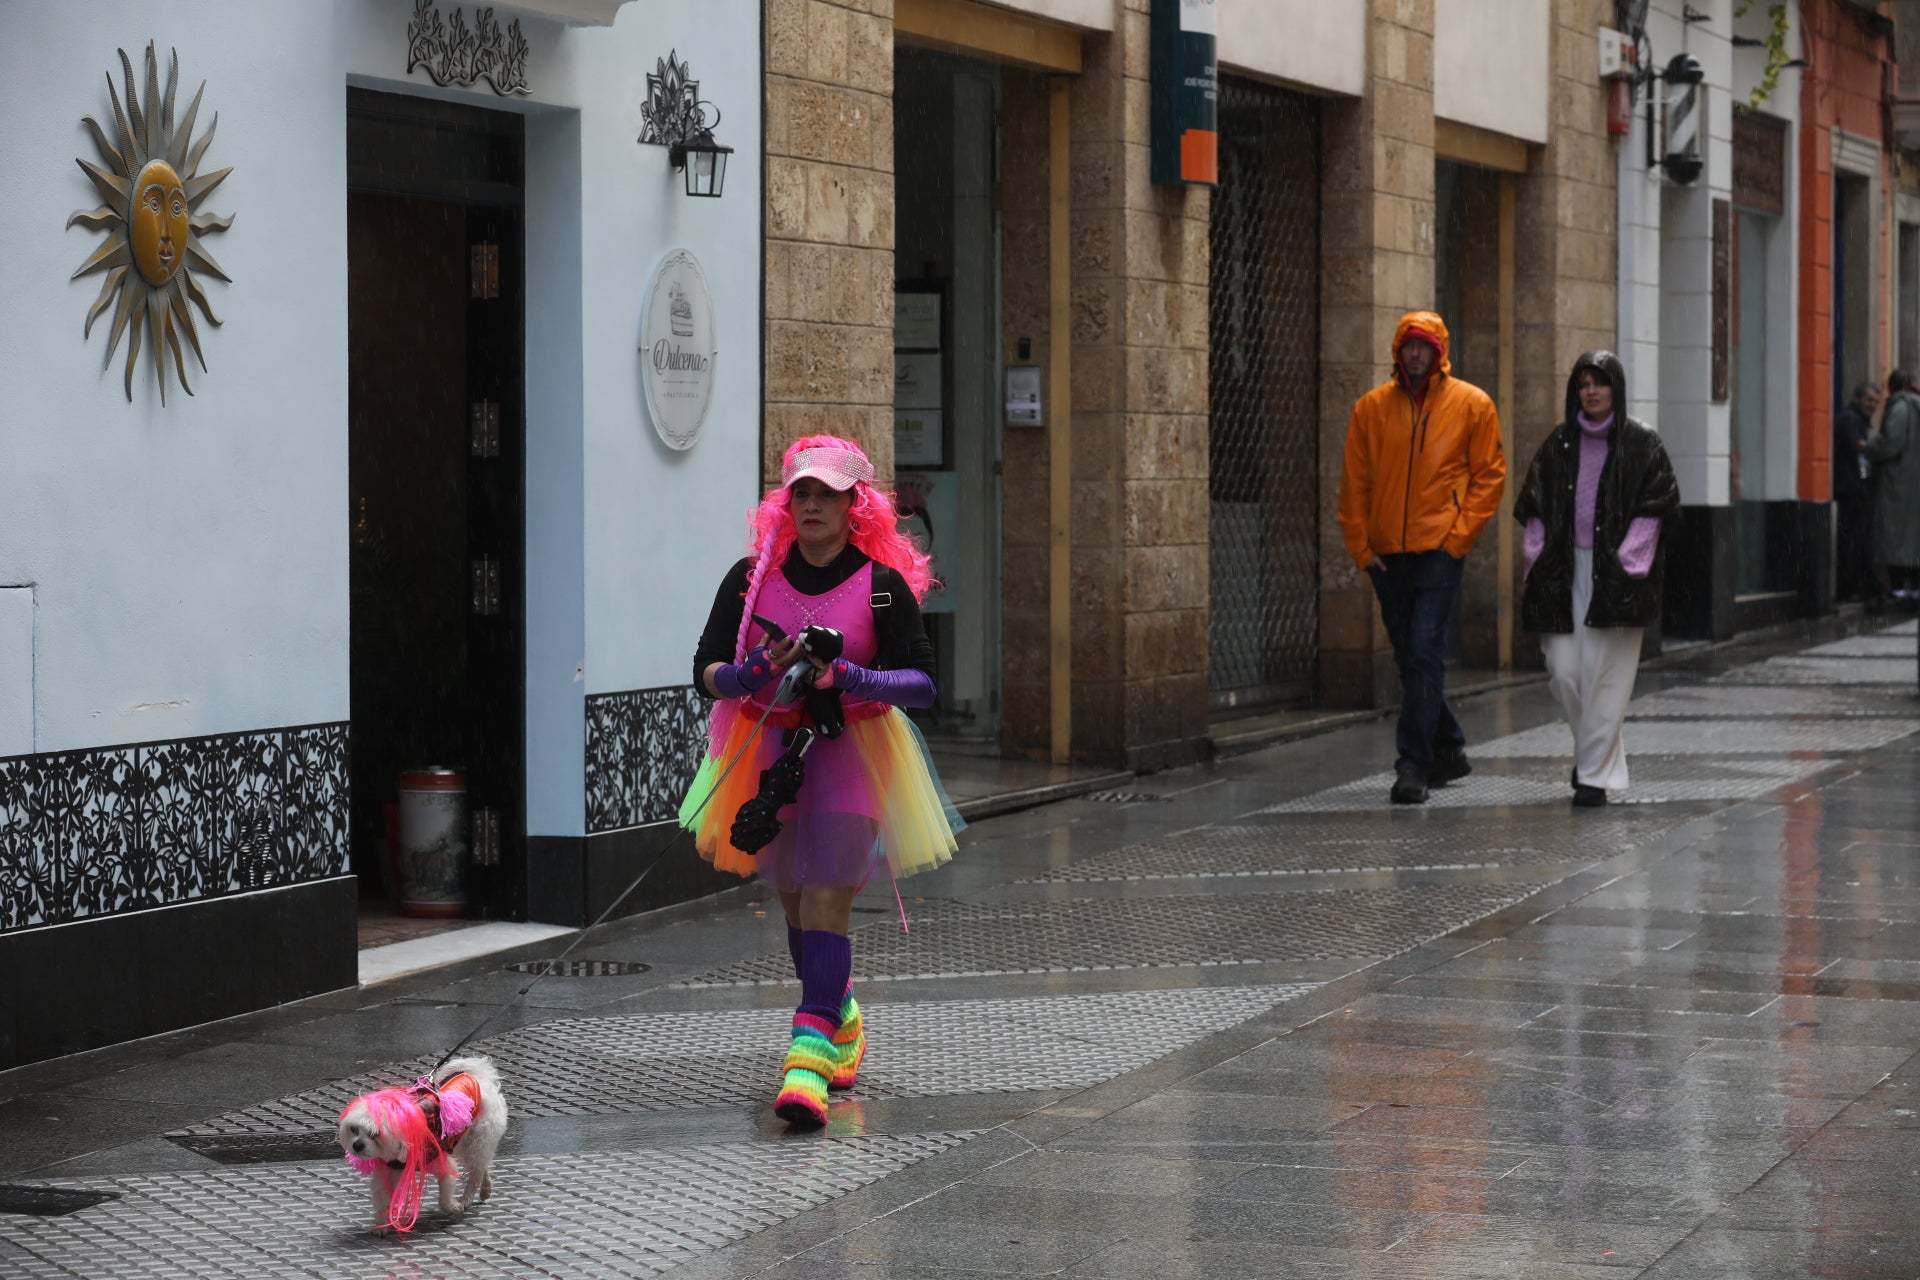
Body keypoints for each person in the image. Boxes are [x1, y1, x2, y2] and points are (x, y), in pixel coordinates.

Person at [680, 435, 961, 1129]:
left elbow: (925, 685)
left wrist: (851, 676)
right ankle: (843, 1015)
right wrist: (748, 675)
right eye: (800, 493)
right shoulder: (750, 579)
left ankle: (807, 1061)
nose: (810, 506)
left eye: (826, 495)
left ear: (854, 506)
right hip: (768, 753)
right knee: (796, 904)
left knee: (829, 893)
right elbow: (705, 668)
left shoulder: (882, 587)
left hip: (851, 750)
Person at [1339, 311, 1507, 805]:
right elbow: (1355, 482)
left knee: (1423, 650)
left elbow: (1489, 477)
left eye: (1425, 347)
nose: (1416, 355)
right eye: (1409, 346)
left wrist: (1457, 540)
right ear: (1398, 350)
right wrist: (1361, 548)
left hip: (1439, 549)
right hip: (1387, 553)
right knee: (1411, 657)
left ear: (1440, 353)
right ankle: (1449, 745)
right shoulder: (1370, 409)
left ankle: (1414, 764)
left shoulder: (1472, 405)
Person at [1514, 351, 1679, 808]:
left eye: (1600, 383)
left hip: (1618, 574)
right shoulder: (1558, 445)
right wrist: (1536, 553)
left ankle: (1591, 777)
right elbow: (1535, 502)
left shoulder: (1642, 444)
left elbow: (1657, 503)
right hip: (1565, 570)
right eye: (1583, 383)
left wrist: (1630, 560)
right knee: (1565, 672)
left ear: (1616, 389)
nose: (1591, 391)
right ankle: (1595, 754)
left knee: (1606, 676)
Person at [1867, 370, 1920, 609]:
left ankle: (1899, 589)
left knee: (1896, 537)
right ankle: (1914, 588)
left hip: (1899, 484)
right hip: (1914, 485)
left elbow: (1891, 443)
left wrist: (1867, 447)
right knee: (1912, 538)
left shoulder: (1901, 407)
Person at [1834, 382, 1880, 604]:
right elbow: (1859, 449)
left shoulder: (1856, 420)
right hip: (1850, 489)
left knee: (1854, 540)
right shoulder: (1850, 420)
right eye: (1869, 399)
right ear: (1857, 398)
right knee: (1851, 541)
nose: (1872, 405)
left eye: (1875, 402)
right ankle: (1848, 588)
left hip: (1853, 488)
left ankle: (1853, 588)